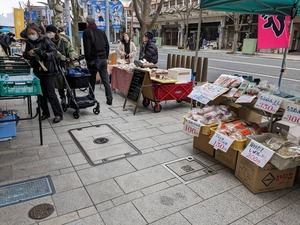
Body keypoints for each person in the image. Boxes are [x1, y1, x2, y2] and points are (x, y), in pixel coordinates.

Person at [23, 23, 63, 123]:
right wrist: (28, 54)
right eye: (29, 34)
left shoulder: (45, 39)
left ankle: (58, 114)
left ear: (38, 32)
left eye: (32, 33)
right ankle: (45, 112)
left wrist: (44, 55)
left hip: (48, 70)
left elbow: (54, 53)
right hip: (37, 70)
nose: (31, 35)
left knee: (50, 93)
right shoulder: (29, 43)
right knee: (40, 94)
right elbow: (25, 55)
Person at [83, 16, 113, 105]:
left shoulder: (87, 32)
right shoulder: (101, 32)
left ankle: (91, 96)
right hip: (103, 59)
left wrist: (87, 59)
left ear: (87, 23)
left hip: (93, 60)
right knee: (105, 80)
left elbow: (87, 48)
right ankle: (109, 98)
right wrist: (106, 57)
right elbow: (107, 46)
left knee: (91, 79)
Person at [46, 25, 78, 106]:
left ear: (55, 32)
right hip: (56, 65)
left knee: (69, 81)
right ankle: (62, 98)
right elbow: (52, 52)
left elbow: (71, 49)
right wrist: (59, 56)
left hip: (67, 63)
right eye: (47, 32)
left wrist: (72, 55)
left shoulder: (64, 40)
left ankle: (71, 97)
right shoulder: (47, 41)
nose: (49, 34)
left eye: (50, 32)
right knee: (59, 82)